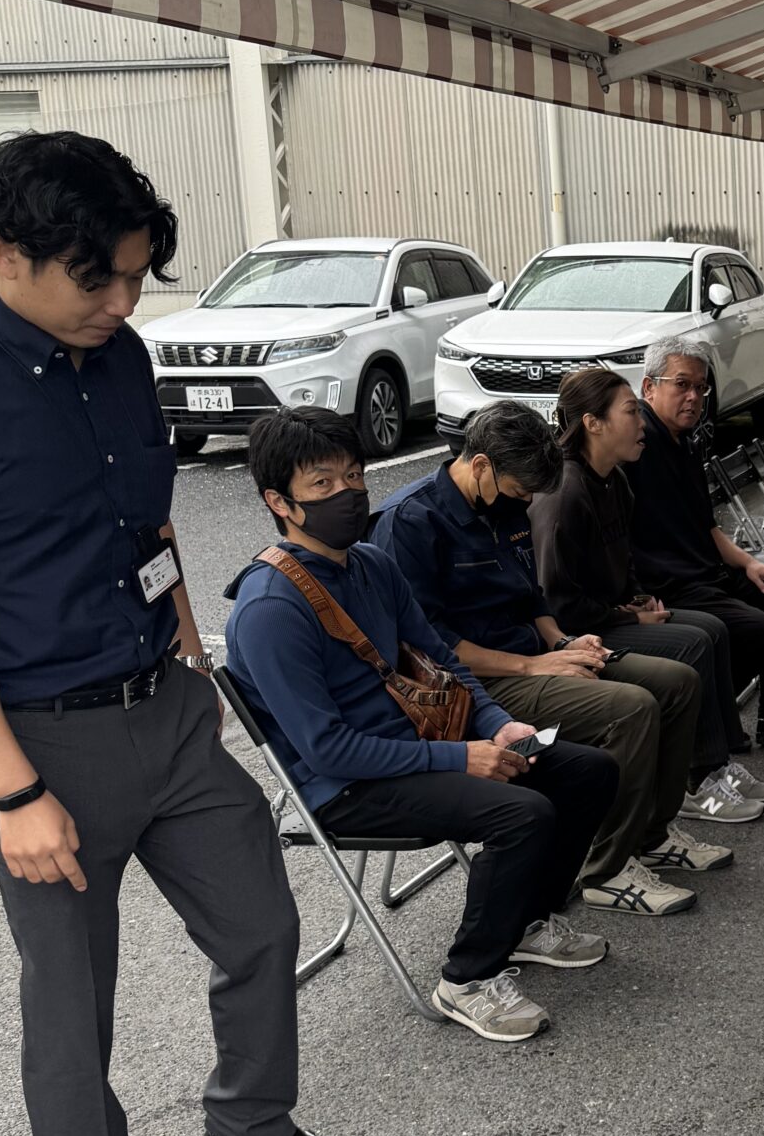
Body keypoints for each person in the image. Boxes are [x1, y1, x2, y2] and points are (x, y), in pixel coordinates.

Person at [0, 131, 383, 1136]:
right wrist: (13, 791)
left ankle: (249, 1129)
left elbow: (149, 524)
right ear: (3, 252)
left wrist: (194, 658)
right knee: (72, 1002)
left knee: (260, 922)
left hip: (162, 705)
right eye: (96, 277)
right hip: (41, 742)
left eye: (135, 274)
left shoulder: (119, 358)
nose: (123, 300)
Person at [228, 409, 620, 1042]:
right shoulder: (271, 607)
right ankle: (467, 978)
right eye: (322, 483)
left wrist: (497, 725)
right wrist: (461, 758)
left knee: (586, 771)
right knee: (521, 813)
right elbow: (327, 750)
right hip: (349, 786)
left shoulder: (369, 564)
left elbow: (442, 661)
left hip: (419, 745)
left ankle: (526, 922)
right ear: (280, 502)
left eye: (354, 475)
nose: (348, 493)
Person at [372, 402, 723, 914]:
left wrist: (562, 643)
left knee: (677, 682)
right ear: (482, 465)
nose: (525, 501)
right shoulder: (411, 522)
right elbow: (428, 647)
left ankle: (650, 836)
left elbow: (530, 594)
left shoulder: (503, 498)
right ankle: (605, 869)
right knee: (631, 708)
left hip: (531, 657)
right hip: (473, 685)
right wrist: (535, 665)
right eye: (520, 491)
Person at [530, 365, 764, 830]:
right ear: (593, 423)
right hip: (579, 636)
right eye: (631, 412)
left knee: (713, 629)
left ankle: (719, 763)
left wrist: (636, 599)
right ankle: (696, 782)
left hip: (610, 616)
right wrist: (627, 618)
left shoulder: (615, 481)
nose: (642, 422)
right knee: (692, 642)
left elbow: (623, 564)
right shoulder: (565, 494)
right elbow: (558, 605)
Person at [629, 339, 764, 752]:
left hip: (707, 574)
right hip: (669, 586)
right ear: (649, 387)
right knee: (759, 629)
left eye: (700, 387)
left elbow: (707, 526)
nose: (693, 397)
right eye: (682, 384)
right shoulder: (635, 443)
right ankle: (711, 722)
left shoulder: (687, 443)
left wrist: (751, 564)